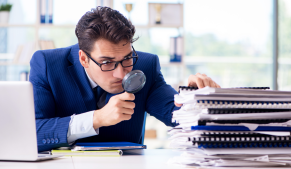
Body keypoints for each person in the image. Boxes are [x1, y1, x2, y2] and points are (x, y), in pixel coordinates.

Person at [29, 6, 220, 152]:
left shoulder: (146, 65)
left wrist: (195, 98)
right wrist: (97, 119)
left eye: (127, 58)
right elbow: (33, 133)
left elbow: (178, 116)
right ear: (83, 59)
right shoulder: (47, 65)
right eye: (107, 62)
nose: (121, 74)